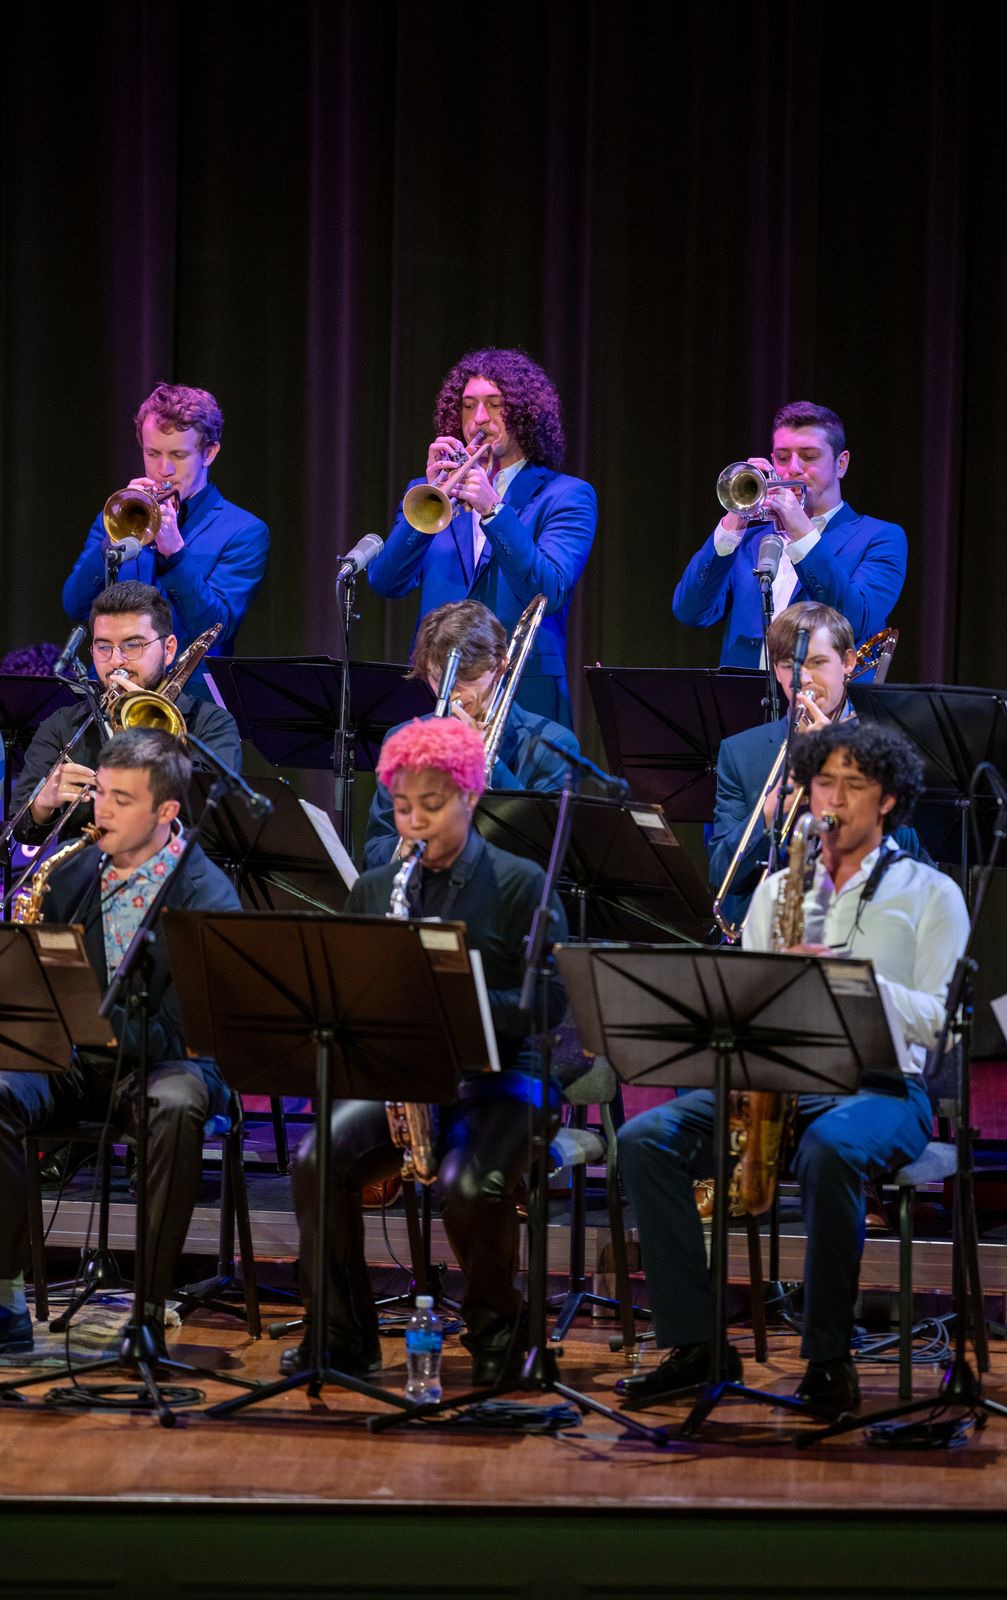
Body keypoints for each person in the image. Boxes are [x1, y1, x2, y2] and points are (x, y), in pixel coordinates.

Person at [617, 720, 969, 1419]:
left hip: (884, 1088)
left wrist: (850, 983)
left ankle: (828, 1358)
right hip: (775, 1081)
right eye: (821, 783)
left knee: (830, 1148)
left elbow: (942, 1024)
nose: (831, 799)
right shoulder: (778, 890)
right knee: (643, 1140)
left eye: (852, 785)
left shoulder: (931, 894)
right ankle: (695, 1344)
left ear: (888, 800)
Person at [288, 717, 568, 1386]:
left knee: (468, 1184)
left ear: (469, 796)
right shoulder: (376, 889)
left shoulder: (520, 883)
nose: (413, 823)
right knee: (315, 1159)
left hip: (505, 1078)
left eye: (431, 806)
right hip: (410, 1078)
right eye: (401, 807)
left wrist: (454, 998)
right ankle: (341, 1337)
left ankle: (500, 1333)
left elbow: (548, 1006)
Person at [0, 728, 241, 1357]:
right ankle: (5, 1296)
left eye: (122, 799)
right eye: (101, 794)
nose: (101, 810)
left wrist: (98, 1017)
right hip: (78, 1059)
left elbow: (191, 1033)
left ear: (166, 811)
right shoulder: (72, 871)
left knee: (176, 1106)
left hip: (167, 1062)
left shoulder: (208, 893)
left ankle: (149, 1311)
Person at [368, 348, 597, 729]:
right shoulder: (430, 492)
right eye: (468, 405)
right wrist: (428, 505)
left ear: (524, 414)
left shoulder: (566, 495)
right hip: (436, 696)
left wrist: (494, 511)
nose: (478, 419)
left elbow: (548, 591)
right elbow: (386, 582)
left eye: (495, 405)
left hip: (524, 699)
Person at [708, 600, 922, 933]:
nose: (803, 679)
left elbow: (913, 851)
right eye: (789, 666)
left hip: (866, 926)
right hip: (769, 934)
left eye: (817, 662)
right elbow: (722, 875)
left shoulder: (888, 744)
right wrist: (769, 812)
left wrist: (840, 760)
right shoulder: (741, 752)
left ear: (848, 662)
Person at [8, 581, 241, 850]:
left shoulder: (211, 723)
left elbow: (212, 816)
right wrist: (42, 804)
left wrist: (146, 734)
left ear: (168, 650)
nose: (116, 661)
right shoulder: (62, 725)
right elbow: (20, 828)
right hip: (86, 871)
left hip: (175, 871)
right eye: (103, 647)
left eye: (133, 645)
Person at [673, 401, 906, 666]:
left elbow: (854, 622)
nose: (793, 468)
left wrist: (801, 534)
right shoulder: (749, 541)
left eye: (809, 456)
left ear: (841, 464)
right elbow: (691, 612)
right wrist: (734, 520)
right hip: (743, 692)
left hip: (822, 692)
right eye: (782, 458)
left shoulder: (881, 537)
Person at [62, 382, 269, 671]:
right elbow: (75, 605)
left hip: (189, 695)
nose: (164, 469)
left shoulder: (243, 531)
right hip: (113, 687)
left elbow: (215, 630)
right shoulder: (116, 519)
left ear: (209, 453)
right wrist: (112, 543)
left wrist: (175, 555)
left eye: (178, 455)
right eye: (152, 453)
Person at [363, 599, 579, 868]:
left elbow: (544, 854)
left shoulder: (553, 745)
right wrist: (406, 848)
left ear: (500, 666)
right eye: (437, 679)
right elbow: (374, 853)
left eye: (464, 679)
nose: (451, 694)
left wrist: (487, 762)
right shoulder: (403, 739)